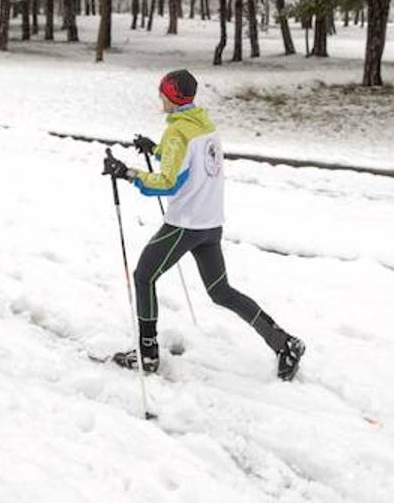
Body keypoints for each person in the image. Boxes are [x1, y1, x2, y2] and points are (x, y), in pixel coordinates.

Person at [103, 69, 306, 381]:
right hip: (210, 225)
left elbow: (168, 182)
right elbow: (189, 162)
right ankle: (284, 343)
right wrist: (156, 150)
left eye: (163, 94)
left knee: (143, 277)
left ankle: (147, 354)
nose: (160, 99)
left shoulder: (177, 133)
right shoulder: (204, 124)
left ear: (171, 96)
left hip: (185, 225)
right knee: (220, 291)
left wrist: (127, 173)